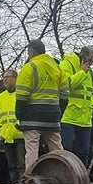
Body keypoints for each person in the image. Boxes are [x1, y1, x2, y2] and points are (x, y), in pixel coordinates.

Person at [15, 39, 69, 171]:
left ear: (32, 52)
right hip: (53, 115)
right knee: (56, 148)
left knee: (32, 149)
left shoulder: (30, 67)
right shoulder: (57, 68)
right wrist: (58, 112)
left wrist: (20, 115)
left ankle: (30, 179)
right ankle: (64, 172)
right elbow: (65, 94)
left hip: (33, 115)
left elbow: (22, 95)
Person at [60, 46, 93, 166]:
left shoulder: (90, 71)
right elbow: (66, 86)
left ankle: (80, 177)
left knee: (84, 151)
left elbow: (92, 92)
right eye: (90, 59)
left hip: (85, 118)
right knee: (66, 149)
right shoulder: (66, 64)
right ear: (82, 55)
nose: (91, 63)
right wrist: (82, 72)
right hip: (69, 116)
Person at [0, 69, 25, 183]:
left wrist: (19, 125)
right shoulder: (0, 97)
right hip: (5, 136)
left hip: (20, 136)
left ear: (16, 79)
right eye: (4, 77)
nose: (5, 79)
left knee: (22, 165)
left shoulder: (21, 94)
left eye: (8, 77)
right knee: (11, 166)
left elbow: (27, 111)